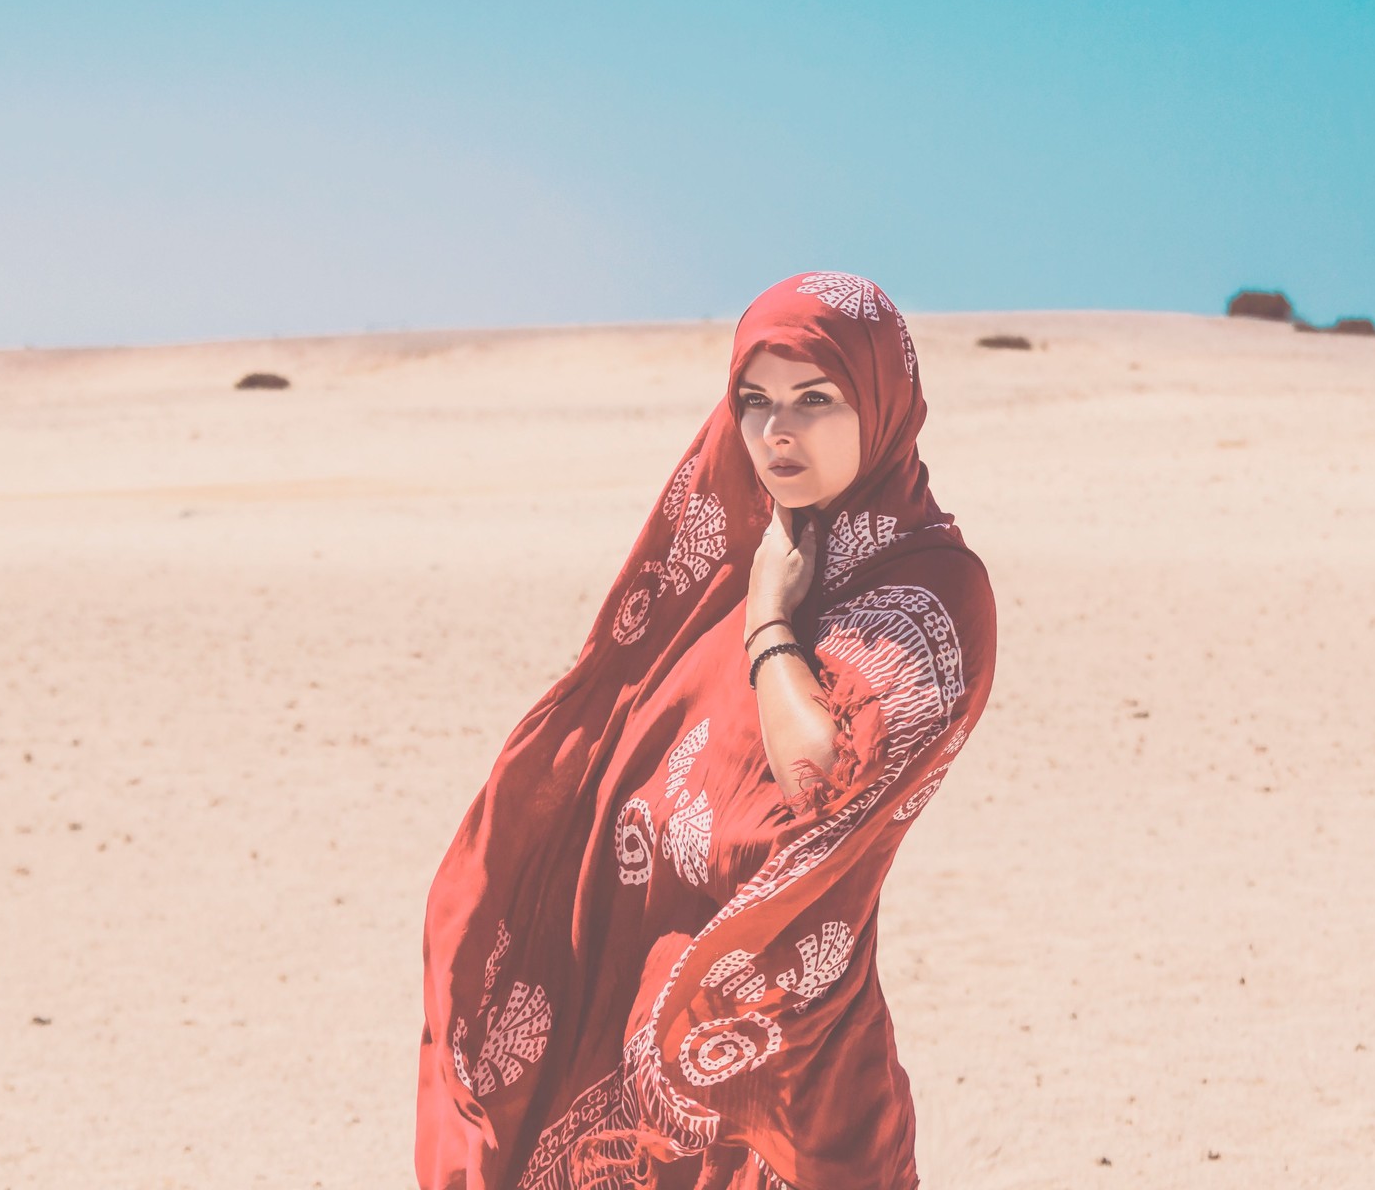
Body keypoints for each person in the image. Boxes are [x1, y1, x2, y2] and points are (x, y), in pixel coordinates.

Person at [416, 271, 998, 1190]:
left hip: (797, 1061)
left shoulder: (932, 590)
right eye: (755, 401)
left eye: (816, 399)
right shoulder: (730, 561)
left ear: (884, 402)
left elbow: (819, 778)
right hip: (631, 1022)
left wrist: (770, 618)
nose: (778, 432)